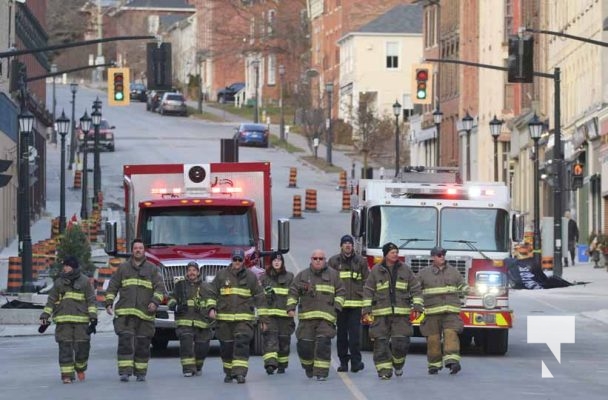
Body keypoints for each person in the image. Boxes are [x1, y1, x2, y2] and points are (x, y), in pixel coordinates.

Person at [105, 239, 166, 382]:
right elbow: (113, 286)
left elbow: (160, 288)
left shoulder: (152, 269)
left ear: (144, 251)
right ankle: (125, 372)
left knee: (143, 345)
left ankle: (141, 372)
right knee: (125, 342)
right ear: (132, 251)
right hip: (126, 314)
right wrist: (108, 302)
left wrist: (155, 302)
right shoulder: (123, 268)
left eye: (140, 248)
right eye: (135, 248)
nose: (138, 250)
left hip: (145, 314)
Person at [362, 242, 423, 380]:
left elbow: (416, 289)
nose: (396, 254)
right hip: (380, 315)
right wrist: (366, 310)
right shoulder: (376, 271)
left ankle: (398, 364)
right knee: (381, 344)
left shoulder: (405, 270)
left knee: (401, 343)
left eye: (396, 252)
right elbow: (368, 291)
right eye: (392, 252)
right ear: (386, 254)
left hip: (401, 315)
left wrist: (418, 306)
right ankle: (384, 371)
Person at [206, 248, 264, 384]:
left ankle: (240, 374)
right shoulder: (221, 275)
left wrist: (263, 319)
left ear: (243, 261)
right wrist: (211, 308)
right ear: (231, 260)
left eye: (240, 260)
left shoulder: (251, 277)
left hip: (244, 321)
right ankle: (229, 372)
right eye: (235, 259)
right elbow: (211, 293)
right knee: (226, 348)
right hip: (224, 321)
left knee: (242, 345)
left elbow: (260, 298)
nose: (237, 262)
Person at [287, 249, 346, 381]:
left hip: (326, 319)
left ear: (325, 260)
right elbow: (293, 292)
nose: (318, 261)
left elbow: (341, 292)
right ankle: (309, 367)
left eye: (321, 258)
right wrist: (291, 308)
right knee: (304, 347)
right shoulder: (302, 276)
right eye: (315, 258)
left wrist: (336, 308)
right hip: (306, 319)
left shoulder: (334, 275)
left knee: (323, 345)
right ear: (311, 260)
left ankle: (321, 373)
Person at [39, 256, 97, 384]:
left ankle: (80, 368)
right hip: (63, 322)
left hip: (81, 322)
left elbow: (91, 301)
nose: (64, 268)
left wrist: (93, 319)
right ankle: (67, 375)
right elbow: (51, 301)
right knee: (65, 348)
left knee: (83, 348)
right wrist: (44, 316)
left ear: (73, 267)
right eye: (64, 266)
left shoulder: (85, 282)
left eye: (67, 265)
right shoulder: (59, 282)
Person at [417, 246, 468, 375]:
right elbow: (416, 290)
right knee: (433, 340)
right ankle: (434, 365)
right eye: (439, 255)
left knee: (451, 335)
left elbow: (462, 284)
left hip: (451, 311)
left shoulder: (453, 271)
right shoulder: (423, 273)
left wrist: (467, 289)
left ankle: (453, 362)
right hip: (432, 313)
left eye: (443, 255)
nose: (442, 257)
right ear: (433, 257)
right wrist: (416, 305)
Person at [327, 234, 368, 373]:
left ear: (352, 246)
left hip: (356, 305)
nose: (347, 245)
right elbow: (328, 282)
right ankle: (343, 362)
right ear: (341, 246)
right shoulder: (333, 262)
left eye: (349, 243)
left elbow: (366, 282)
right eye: (345, 243)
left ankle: (356, 362)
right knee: (342, 335)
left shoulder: (361, 261)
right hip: (340, 305)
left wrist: (366, 302)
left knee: (355, 336)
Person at [167, 261, 212, 377]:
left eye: (194, 270)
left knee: (202, 347)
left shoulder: (206, 287)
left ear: (198, 272)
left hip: (202, 322)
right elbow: (171, 298)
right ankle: (187, 369)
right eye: (189, 270)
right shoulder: (180, 285)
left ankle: (198, 365)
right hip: (184, 321)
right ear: (186, 272)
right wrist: (175, 306)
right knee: (186, 344)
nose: (191, 273)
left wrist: (212, 310)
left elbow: (212, 300)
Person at [258, 251, 295, 375]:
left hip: (285, 317)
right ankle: (270, 364)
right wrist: (262, 318)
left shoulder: (290, 277)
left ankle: (282, 365)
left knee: (284, 341)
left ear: (282, 263)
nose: (277, 262)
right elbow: (259, 298)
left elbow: (293, 295)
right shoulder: (263, 278)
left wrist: (291, 308)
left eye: (279, 260)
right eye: (274, 260)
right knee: (270, 340)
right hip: (269, 316)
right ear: (271, 262)